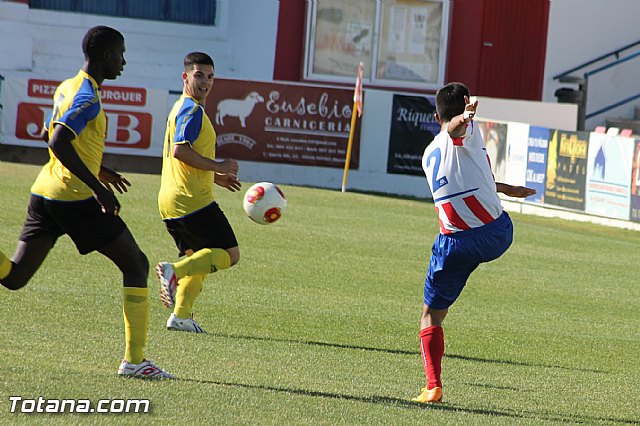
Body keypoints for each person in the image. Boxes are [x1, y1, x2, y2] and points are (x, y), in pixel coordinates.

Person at [0, 26, 173, 379]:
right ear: (107, 55)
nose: (123, 61)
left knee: (15, 277)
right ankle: (135, 361)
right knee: (136, 264)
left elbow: (51, 132)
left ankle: (136, 361)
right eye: (120, 54)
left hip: (45, 193)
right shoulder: (88, 97)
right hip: (74, 198)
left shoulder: (68, 86)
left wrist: (100, 169)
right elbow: (59, 141)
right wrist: (96, 185)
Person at [413, 82, 535, 403]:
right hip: (497, 234)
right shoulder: (466, 128)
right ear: (465, 105)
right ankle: (433, 385)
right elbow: (456, 130)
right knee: (441, 308)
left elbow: (463, 159)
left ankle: (433, 386)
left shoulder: (428, 154)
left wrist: (505, 187)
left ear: (435, 113)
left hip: (454, 243)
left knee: (431, 315)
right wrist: (465, 118)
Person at [156, 52, 241, 333]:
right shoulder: (192, 110)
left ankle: (181, 316)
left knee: (200, 260)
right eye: (199, 75)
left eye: (210, 76)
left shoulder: (180, 107)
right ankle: (174, 272)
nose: (205, 82)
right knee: (229, 254)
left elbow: (185, 158)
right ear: (185, 77)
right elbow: (180, 150)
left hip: (172, 200)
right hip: (192, 201)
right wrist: (218, 164)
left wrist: (215, 177)